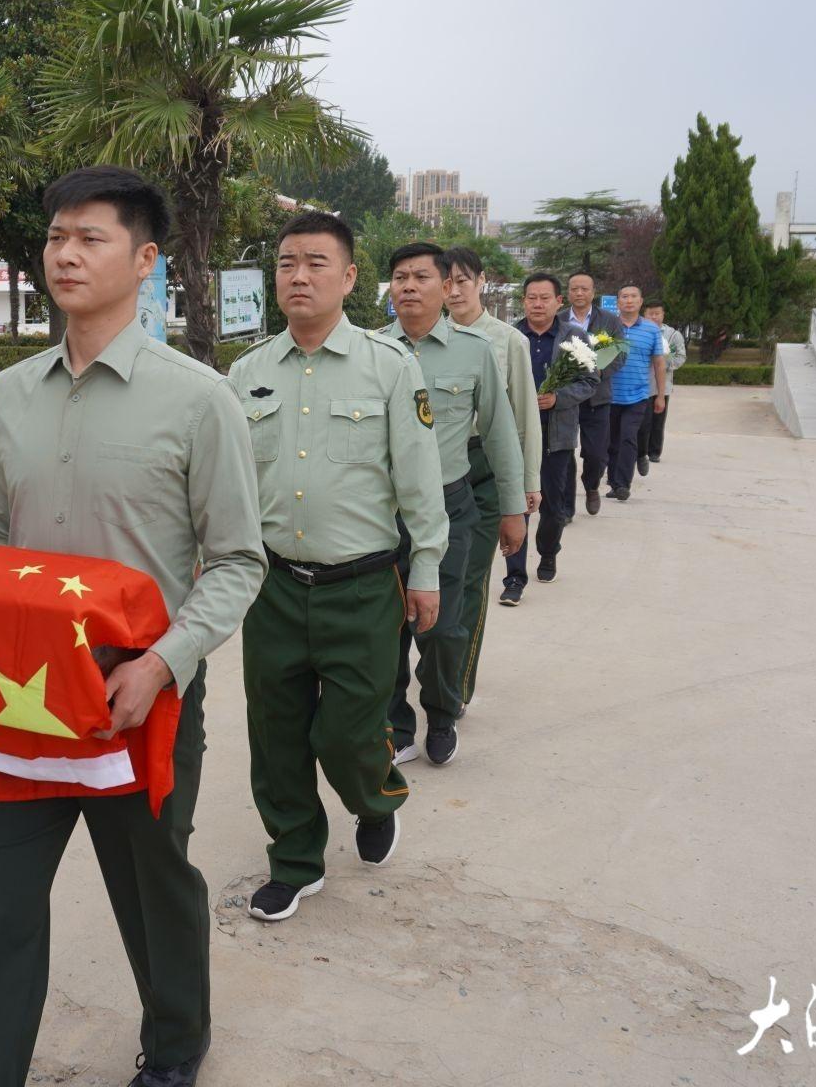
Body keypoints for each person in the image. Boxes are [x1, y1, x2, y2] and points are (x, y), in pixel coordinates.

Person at [0, 166, 266, 1087]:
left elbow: (238, 561)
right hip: (24, 695)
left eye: (90, 238)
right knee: (3, 904)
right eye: (57, 236)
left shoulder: (197, 398)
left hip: (143, 689)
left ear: (144, 262)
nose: (65, 253)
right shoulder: (11, 394)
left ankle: (175, 1048)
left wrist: (166, 664)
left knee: (151, 887)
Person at [227, 211, 448, 925]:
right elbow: (226, 484)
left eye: (317, 263)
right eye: (287, 262)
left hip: (363, 588)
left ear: (350, 278)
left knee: (348, 734)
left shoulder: (391, 368)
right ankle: (295, 860)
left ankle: (373, 795)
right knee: (278, 732)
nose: (299, 275)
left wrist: (428, 570)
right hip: (274, 588)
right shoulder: (248, 372)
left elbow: (418, 482)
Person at [380, 243, 524, 767]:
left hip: (450, 506)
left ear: (447, 288)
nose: (409, 286)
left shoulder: (475, 350)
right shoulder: (372, 351)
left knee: (443, 626)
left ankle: (441, 713)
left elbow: (502, 435)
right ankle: (397, 724)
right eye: (400, 277)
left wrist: (513, 508)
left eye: (422, 277)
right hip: (383, 515)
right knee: (387, 626)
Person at [507, 273, 600, 590]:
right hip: (515, 435)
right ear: (523, 301)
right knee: (515, 504)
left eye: (544, 297)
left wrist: (558, 398)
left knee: (551, 505)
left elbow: (590, 382)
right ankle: (514, 575)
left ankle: (548, 553)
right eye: (531, 297)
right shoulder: (510, 335)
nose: (537, 303)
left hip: (555, 435)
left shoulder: (574, 338)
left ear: (559, 302)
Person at [559, 273, 623, 516]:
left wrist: (598, 372)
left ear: (593, 292)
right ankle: (565, 508)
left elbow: (619, 355)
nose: (579, 293)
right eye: (574, 288)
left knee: (596, 454)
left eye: (584, 289)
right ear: (568, 292)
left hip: (597, 397)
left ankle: (592, 485)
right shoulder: (559, 319)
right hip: (566, 397)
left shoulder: (609, 321)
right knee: (563, 451)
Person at [602, 285, 667, 503]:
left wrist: (659, 395)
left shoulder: (651, 330)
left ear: (641, 302)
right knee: (611, 442)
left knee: (628, 438)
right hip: (609, 395)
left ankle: (623, 484)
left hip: (638, 396)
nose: (628, 300)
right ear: (618, 302)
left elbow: (659, 363)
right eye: (624, 297)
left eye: (633, 297)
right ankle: (612, 481)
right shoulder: (607, 327)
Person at [639, 300, 686, 466]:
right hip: (640, 383)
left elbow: (681, 357)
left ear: (663, 314)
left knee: (657, 421)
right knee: (641, 421)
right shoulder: (637, 331)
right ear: (644, 314)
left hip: (661, 386)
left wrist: (663, 363)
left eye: (657, 313)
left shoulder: (673, 335)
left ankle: (654, 451)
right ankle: (640, 451)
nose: (654, 316)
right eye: (650, 313)